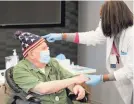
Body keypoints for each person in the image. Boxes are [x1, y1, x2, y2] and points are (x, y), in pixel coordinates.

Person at [43, 1, 134, 104]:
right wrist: (62, 36)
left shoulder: (131, 35)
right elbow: (93, 37)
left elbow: (131, 70)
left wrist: (101, 78)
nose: (101, 22)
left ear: (113, 20)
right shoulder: (115, 29)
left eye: (102, 19)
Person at [12, 31, 89, 104]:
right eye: (43, 48)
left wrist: (76, 87)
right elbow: (42, 89)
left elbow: (67, 78)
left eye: (47, 47)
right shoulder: (20, 70)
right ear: (31, 54)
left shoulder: (52, 62)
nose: (48, 50)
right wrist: (75, 79)